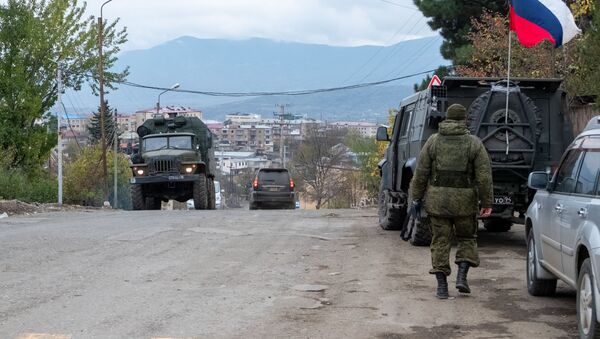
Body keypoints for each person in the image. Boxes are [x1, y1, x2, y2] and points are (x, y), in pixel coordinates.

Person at [409, 103, 493, 299]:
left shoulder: (433, 141)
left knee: (440, 241)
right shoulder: (474, 143)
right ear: (464, 120)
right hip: (465, 203)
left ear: (446, 119)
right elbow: (484, 176)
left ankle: (441, 287)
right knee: (466, 238)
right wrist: (487, 202)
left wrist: (416, 198)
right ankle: (462, 277)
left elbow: (421, 173)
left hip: (438, 203)